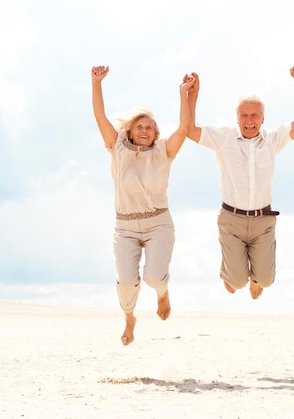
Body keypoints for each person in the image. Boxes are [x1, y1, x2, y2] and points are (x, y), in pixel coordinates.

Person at [187, 66, 294, 300]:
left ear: (262, 118)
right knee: (236, 280)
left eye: (254, 115)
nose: (249, 120)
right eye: (244, 115)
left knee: (265, 279)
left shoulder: (272, 140)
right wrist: (192, 95)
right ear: (237, 119)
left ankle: (257, 278)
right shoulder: (224, 138)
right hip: (231, 220)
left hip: (263, 221)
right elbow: (189, 130)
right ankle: (230, 273)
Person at [91, 65, 195, 345]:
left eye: (150, 127)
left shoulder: (164, 152)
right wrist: (96, 83)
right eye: (140, 126)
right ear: (131, 130)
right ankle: (129, 318)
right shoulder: (117, 148)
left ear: (156, 132)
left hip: (158, 222)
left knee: (154, 278)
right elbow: (99, 116)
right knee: (126, 282)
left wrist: (183, 94)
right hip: (124, 225)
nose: (145, 130)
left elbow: (185, 128)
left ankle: (163, 294)